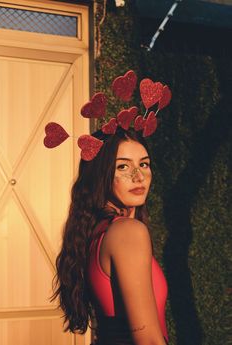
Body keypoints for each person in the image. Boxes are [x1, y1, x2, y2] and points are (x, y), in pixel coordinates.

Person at [51, 127, 169, 345]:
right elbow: (149, 340)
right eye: (123, 166)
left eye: (143, 164)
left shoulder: (96, 232)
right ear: (101, 174)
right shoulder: (127, 232)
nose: (138, 176)